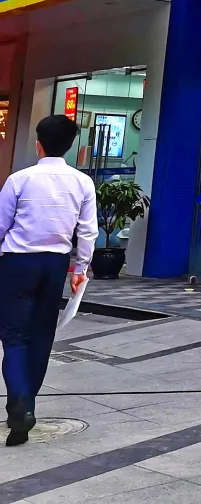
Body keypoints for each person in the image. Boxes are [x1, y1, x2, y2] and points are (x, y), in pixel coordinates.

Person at [0, 115, 97, 447]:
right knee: (42, 335)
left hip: (17, 263)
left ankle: (20, 404)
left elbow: (1, 225)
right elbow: (88, 231)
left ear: (38, 144)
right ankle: (27, 404)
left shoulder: (19, 180)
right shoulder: (82, 182)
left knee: (14, 337)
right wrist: (80, 268)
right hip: (55, 263)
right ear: (69, 146)